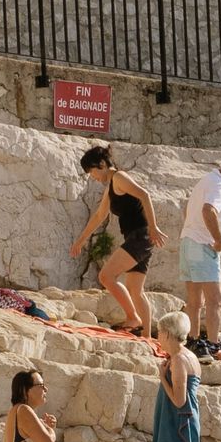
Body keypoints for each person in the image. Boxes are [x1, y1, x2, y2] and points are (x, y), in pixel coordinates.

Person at [71, 144, 161, 336]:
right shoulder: (111, 187)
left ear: (102, 164)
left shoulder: (119, 178)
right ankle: (146, 334)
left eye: (93, 171)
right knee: (135, 290)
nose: (93, 177)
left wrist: (153, 227)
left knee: (106, 276)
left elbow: (144, 195)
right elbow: (99, 216)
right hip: (139, 238)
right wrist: (80, 241)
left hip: (140, 237)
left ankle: (133, 318)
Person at [180, 157, 221, 351]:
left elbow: (187, 209)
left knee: (195, 299)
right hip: (204, 245)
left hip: (189, 241)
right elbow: (208, 210)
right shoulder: (219, 186)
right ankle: (212, 343)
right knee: (215, 300)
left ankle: (193, 340)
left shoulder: (206, 180)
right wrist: (218, 239)